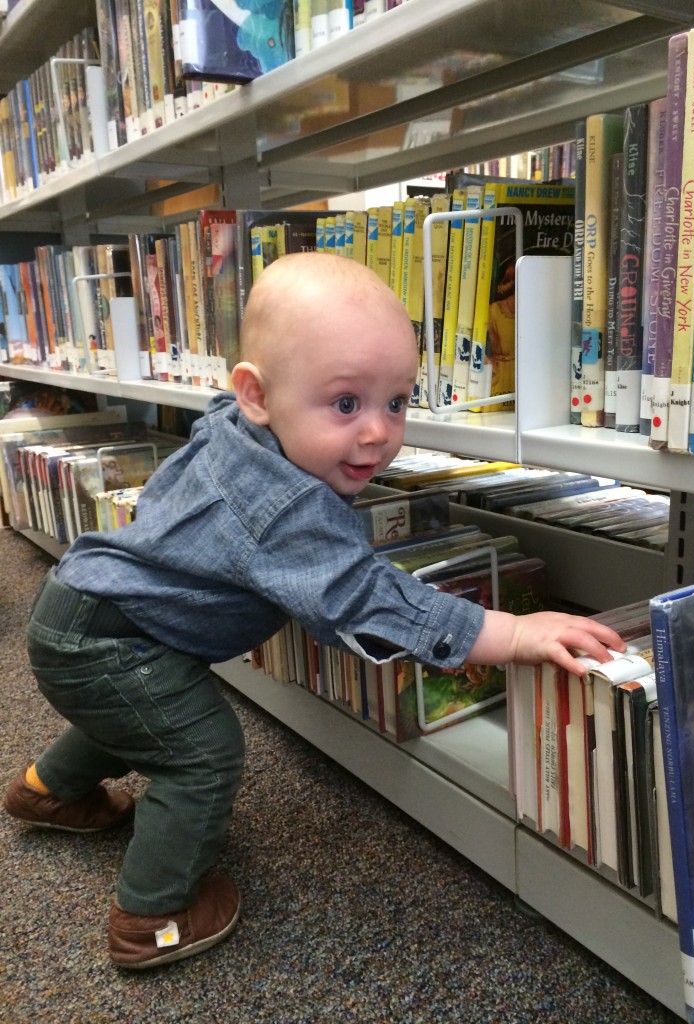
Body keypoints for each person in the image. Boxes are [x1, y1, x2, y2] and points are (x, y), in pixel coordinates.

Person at [3, 252, 625, 970]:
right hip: (113, 639)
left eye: (396, 402)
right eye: (345, 404)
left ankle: (49, 791)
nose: (377, 434)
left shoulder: (232, 425)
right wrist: (513, 631)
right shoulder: (288, 509)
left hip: (85, 616)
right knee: (202, 753)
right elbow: (369, 599)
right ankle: (154, 914)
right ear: (256, 394)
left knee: (144, 716)